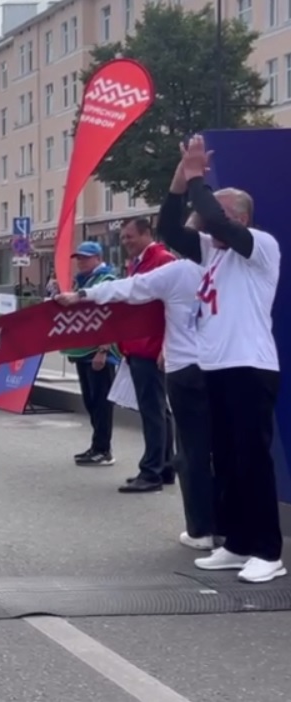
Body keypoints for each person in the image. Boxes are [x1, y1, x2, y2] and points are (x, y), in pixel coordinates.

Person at [159, 135, 284, 584]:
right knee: (225, 459)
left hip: (249, 365)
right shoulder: (211, 253)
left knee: (252, 459)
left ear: (242, 219)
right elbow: (171, 230)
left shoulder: (260, 247)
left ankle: (268, 551)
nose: (209, 226)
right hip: (214, 366)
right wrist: (179, 181)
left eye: (222, 217)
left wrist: (198, 180)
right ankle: (235, 542)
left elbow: (211, 216)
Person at [54, 252, 213, 545]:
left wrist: (83, 296)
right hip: (200, 362)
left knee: (193, 446)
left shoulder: (176, 267)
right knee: (199, 447)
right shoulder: (213, 265)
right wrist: (83, 294)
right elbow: (131, 288)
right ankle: (209, 526)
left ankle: (203, 525)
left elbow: (129, 289)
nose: (125, 243)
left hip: (191, 363)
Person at [115, 217, 177, 492]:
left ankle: (151, 472)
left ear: (146, 234)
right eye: (123, 238)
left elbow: (172, 307)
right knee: (159, 411)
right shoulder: (137, 263)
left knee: (153, 411)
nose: (125, 242)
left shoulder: (162, 260)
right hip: (140, 346)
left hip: (150, 347)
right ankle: (164, 468)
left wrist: (166, 346)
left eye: (130, 236)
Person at [60, 241, 120, 467]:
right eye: (78, 258)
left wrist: (103, 349)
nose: (80, 261)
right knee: (90, 401)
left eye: (85, 257)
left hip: (99, 352)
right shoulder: (82, 282)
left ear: (97, 258)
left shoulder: (106, 281)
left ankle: (104, 449)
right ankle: (97, 446)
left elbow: (112, 318)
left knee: (102, 402)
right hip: (83, 351)